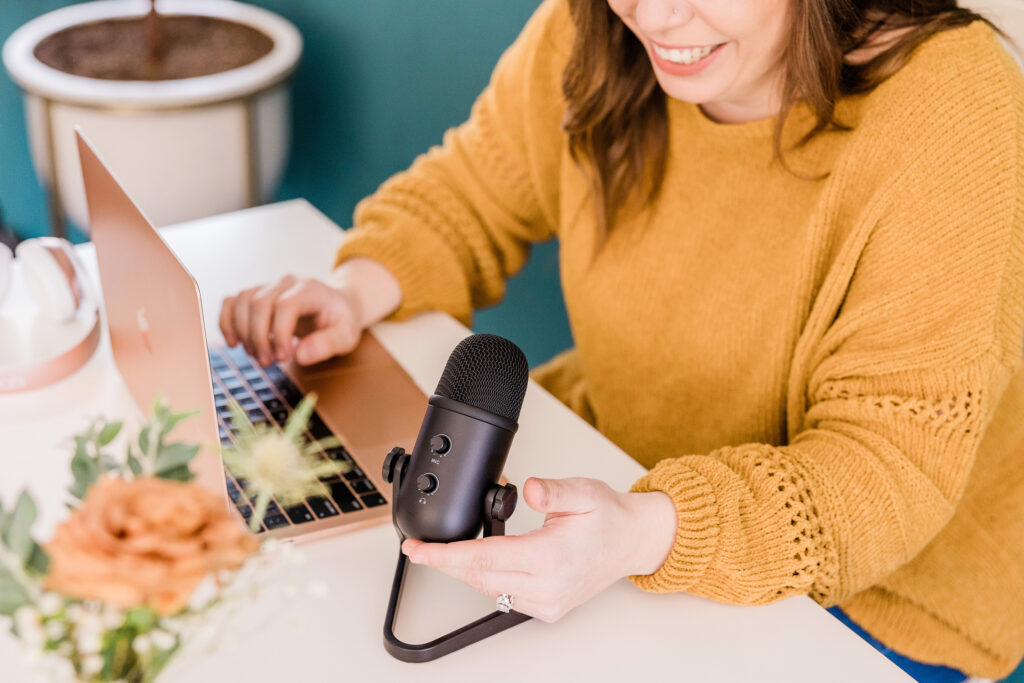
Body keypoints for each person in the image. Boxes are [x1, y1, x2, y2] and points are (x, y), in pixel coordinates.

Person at [219, 0, 1024, 680]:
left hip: (883, 598)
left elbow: (885, 470)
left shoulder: (953, 103)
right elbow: (474, 188)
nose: (657, 17)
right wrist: (354, 292)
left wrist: (647, 532)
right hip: (621, 491)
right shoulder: (595, 26)